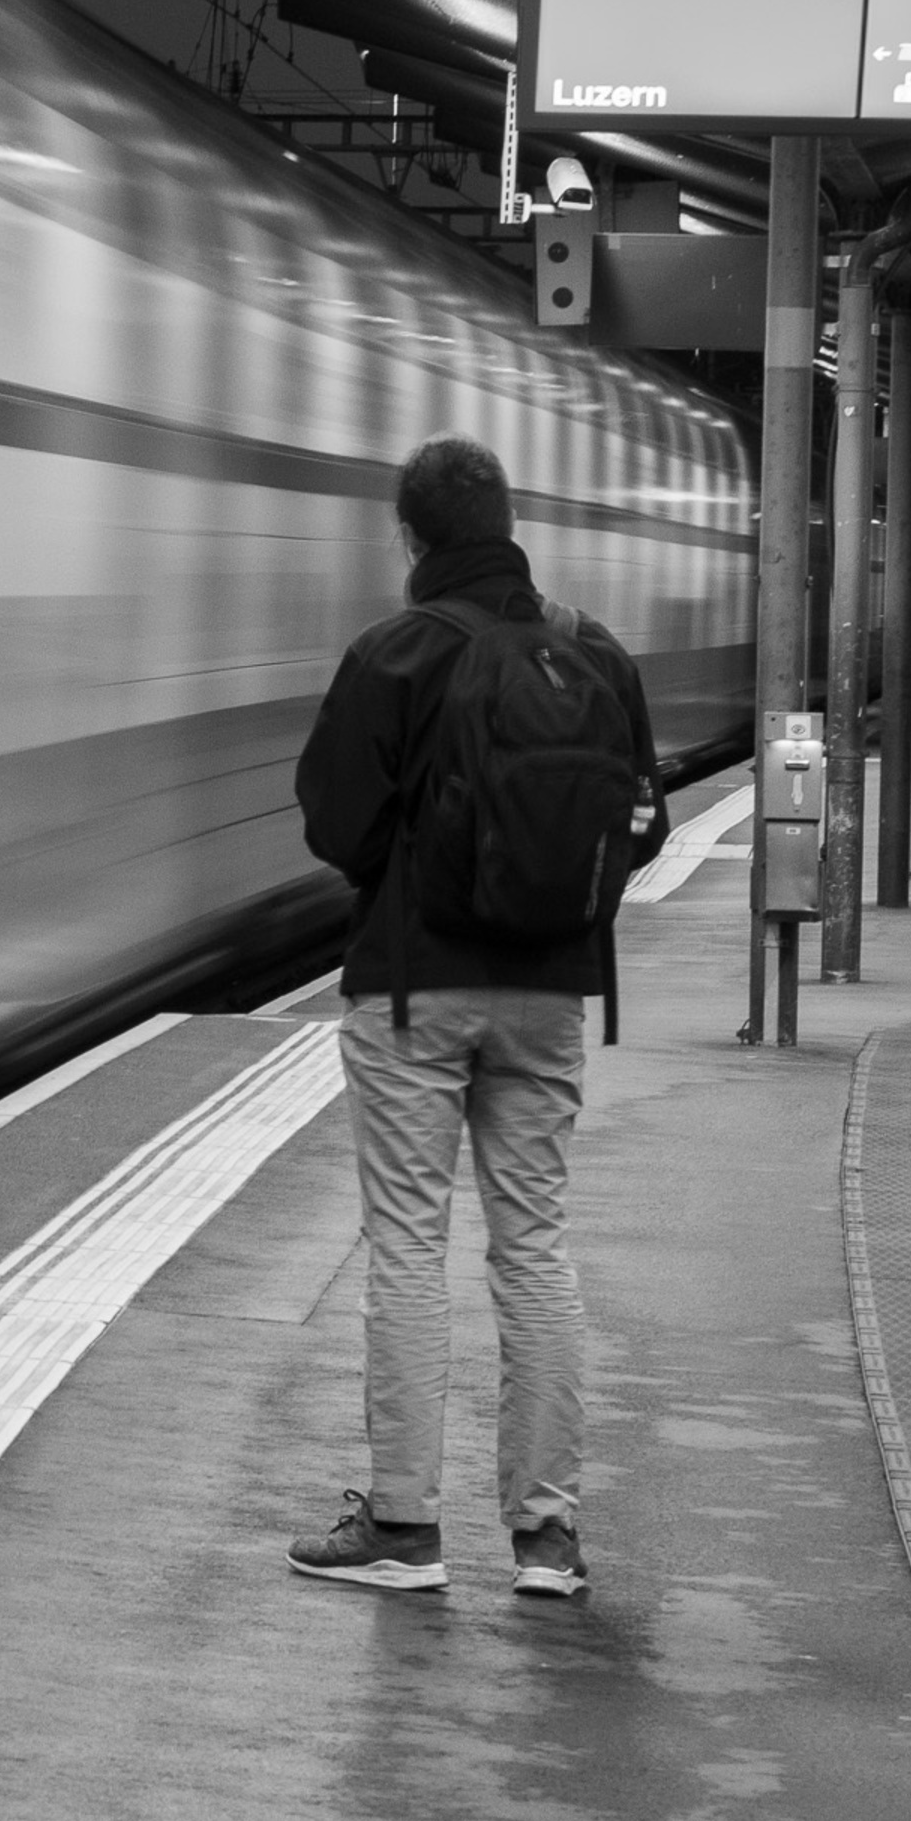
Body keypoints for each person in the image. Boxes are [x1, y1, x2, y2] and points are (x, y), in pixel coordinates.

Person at [285, 435, 666, 1599]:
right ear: (510, 526)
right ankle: (546, 1541)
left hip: (414, 988)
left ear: (409, 537)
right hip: (549, 994)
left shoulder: (392, 653)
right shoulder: (592, 650)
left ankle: (405, 1530)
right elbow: (642, 820)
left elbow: (335, 825)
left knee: (408, 1246)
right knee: (534, 1246)